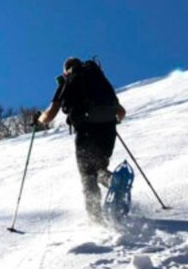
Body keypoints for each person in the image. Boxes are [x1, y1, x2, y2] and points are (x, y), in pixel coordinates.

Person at [36, 57, 127, 220]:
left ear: (66, 69)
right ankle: (112, 179)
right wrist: (109, 121)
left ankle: (96, 221)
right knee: (98, 168)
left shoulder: (68, 81)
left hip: (86, 131)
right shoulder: (98, 79)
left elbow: (49, 115)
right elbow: (121, 112)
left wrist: (38, 120)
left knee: (87, 176)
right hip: (108, 131)